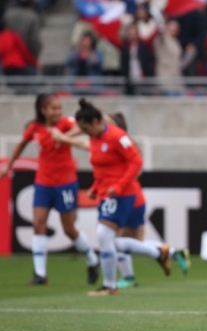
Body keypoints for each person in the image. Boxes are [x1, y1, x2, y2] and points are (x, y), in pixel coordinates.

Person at [50, 112, 191, 290]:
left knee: (112, 240)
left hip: (125, 197)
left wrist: (63, 137)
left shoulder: (117, 143)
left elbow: (131, 169)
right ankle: (166, 253)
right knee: (122, 242)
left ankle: (151, 261)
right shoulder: (111, 144)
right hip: (133, 198)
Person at [73, 99, 175, 296]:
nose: (85, 133)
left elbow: (136, 162)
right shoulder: (95, 139)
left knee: (104, 235)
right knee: (111, 242)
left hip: (123, 194)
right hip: (105, 194)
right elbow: (103, 168)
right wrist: (95, 187)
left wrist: (118, 185)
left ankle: (110, 286)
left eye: (86, 128)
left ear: (95, 121)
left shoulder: (117, 137)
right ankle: (159, 252)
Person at [0, 94, 99, 286]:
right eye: (53, 108)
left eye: (59, 108)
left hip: (65, 182)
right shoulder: (34, 128)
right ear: (43, 111)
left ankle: (93, 261)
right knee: (38, 224)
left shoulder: (65, 123)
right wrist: (8, 166)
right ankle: (40, 274)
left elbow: (82, 128)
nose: (57, 112)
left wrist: (64, 136)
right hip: (43, 182)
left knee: (69, 229)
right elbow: (21, 145)